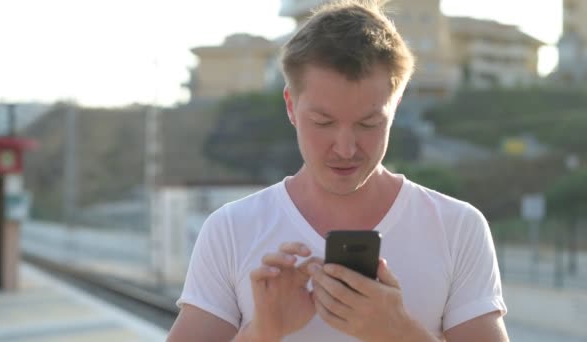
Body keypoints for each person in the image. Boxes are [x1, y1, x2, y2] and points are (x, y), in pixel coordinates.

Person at [168, 0, 508, 340]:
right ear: (291, 106)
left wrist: (398, 332)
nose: (345, 149)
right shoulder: (230, 229)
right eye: (323, 122)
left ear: (396, 106)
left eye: (368, 123)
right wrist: (265, 329)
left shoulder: (458, 228)